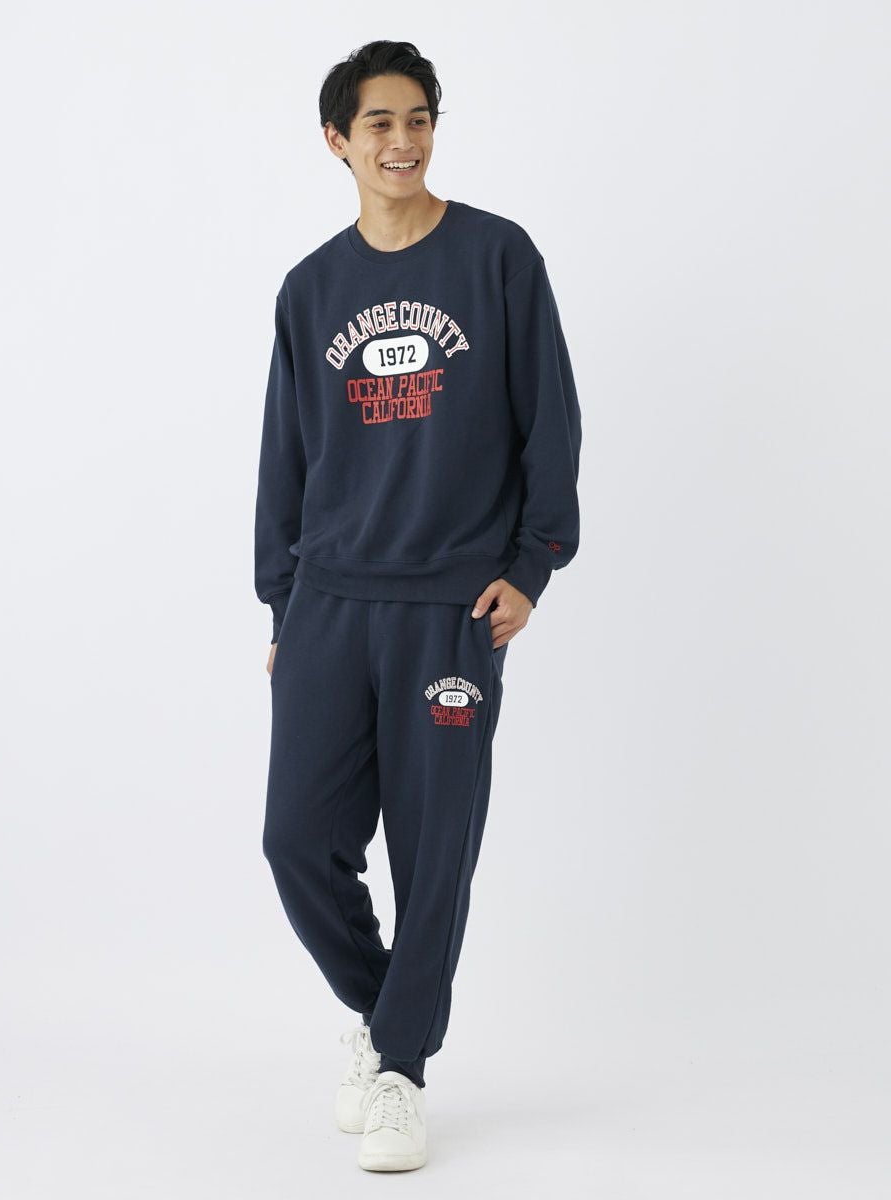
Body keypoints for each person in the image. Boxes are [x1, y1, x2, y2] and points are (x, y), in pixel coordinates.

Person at [254, 39, 582, 1172]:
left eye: (420, 119)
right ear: (337, 141)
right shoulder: (310, 289)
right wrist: (282, 606)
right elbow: (285, 459)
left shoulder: (497, 258)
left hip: (451, 604)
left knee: (434, 849)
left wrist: (533, 565)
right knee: (296, 840)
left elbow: (551, 422)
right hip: (330, 601)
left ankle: (398, 1067)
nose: (404, 142)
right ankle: (388, 1010)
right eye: (380, 124)